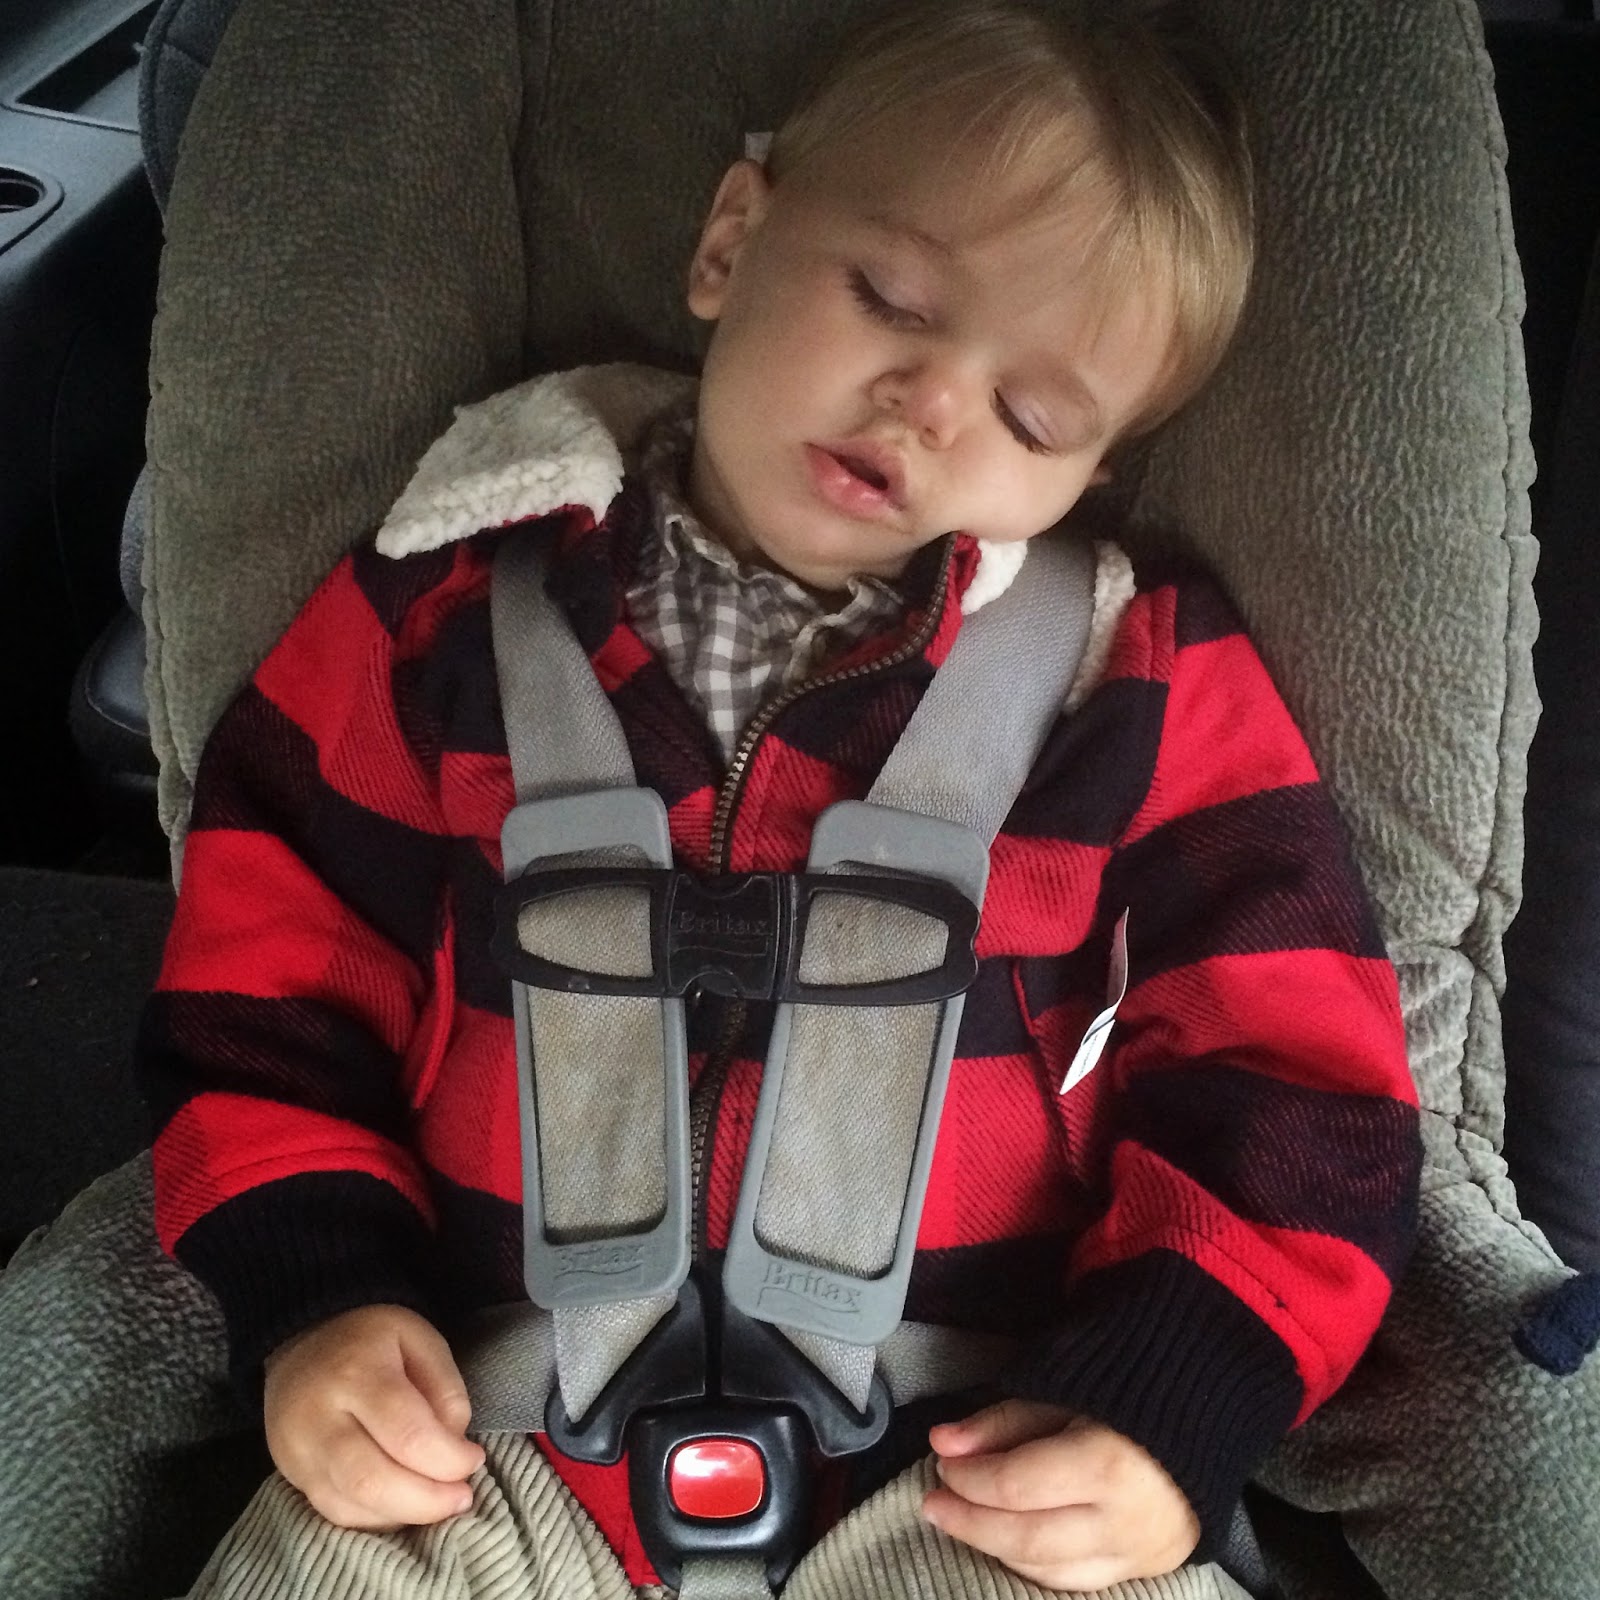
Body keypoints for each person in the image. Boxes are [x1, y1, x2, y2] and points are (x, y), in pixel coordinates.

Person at [138, 1, 1421, 1594]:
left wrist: (1171, 1399)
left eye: (1031, 415)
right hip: (482, 1437)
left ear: (1084, 476)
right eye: (888, 298)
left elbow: (1297, 1083)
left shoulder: (1139, 686)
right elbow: (268, 979)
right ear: (730, 243)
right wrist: (316, 1293)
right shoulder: (445, 610)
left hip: (974, 1462)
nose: (930, 401)